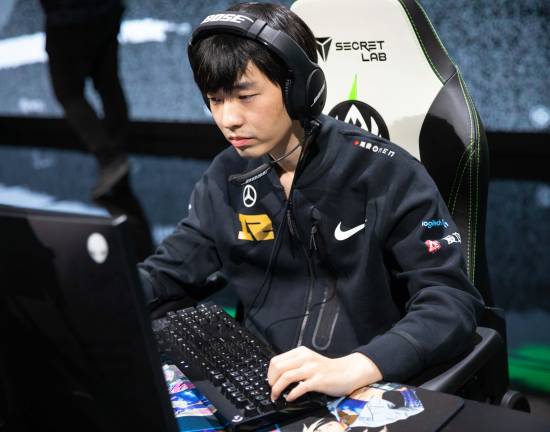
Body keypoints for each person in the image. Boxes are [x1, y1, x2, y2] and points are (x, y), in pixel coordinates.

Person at [138, 2, 484, 404]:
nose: (228, 119)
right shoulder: (226, 176)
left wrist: (358, 366)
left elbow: (451, 301)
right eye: (216, 100)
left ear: (299, 90)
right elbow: (169, 271)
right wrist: (96, 292)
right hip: (263, 386)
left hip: (359, 387)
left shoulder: (388, 173)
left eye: (245, 96)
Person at [39, 0, 130, 199]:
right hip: (105, 12)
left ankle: (110, 157)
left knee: (68, 93)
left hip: (66, 20)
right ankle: (118, 150)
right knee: (108, 84)